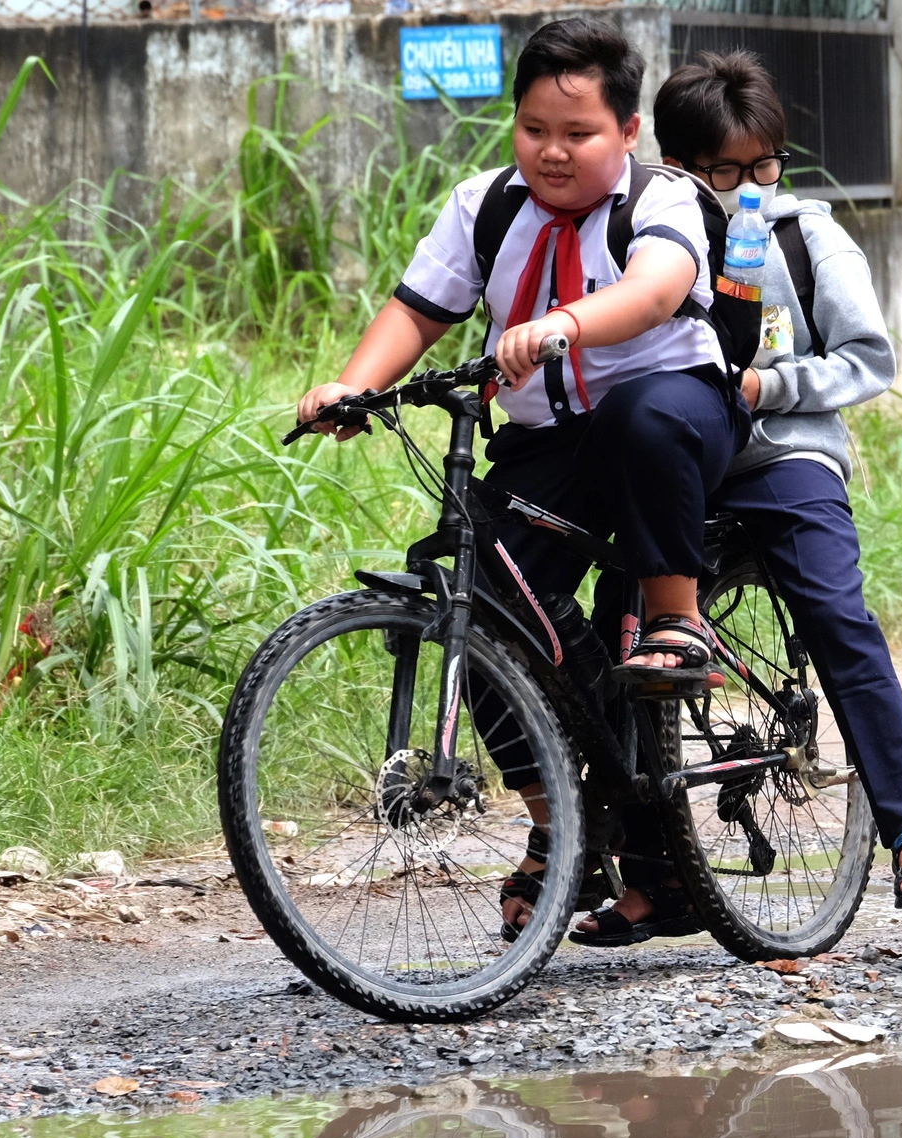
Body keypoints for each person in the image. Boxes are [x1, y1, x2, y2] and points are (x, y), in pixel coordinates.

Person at [296, 18, 750, 937]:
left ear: (627, 133)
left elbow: (658, 289)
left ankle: (676, 614)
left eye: (578, 134)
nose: (552, 152)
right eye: (533, 128)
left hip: (673, 416)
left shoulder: (662, 199)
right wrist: (353, 385)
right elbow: (420, 310)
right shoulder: (486, 204)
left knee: (640, 412)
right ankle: (562, 829)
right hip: (549, 441)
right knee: (472, 579)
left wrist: (568, 325)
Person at [630, 49, 902, 916]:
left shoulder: (803, 235)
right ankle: (652, 870)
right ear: (675, 162)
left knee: (836, 613)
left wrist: (769, 385)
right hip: (682, 462)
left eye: (761, 165)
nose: (745, 184)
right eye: (722, 169)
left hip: (782, 453)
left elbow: (867, 357)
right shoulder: (645, 235)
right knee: (623, 633)